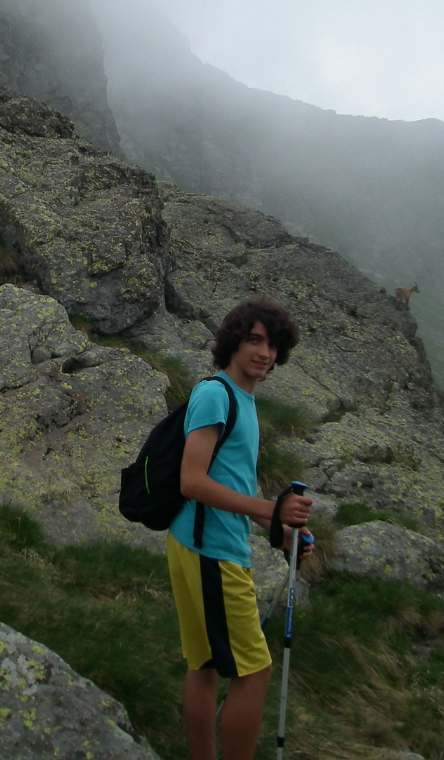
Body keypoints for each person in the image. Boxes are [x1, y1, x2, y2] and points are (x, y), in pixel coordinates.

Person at [169, 297, 314, 760]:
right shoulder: (216, 394)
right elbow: (191, 481)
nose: (265, 352)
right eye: (254, 340)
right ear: (233, 340)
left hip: (199, 542)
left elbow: (229, 483)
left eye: (273, 345)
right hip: (209, 548)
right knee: (254, 672)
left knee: (206, 664)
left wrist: (277, 529)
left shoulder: (243, 400)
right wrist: (272, 510)